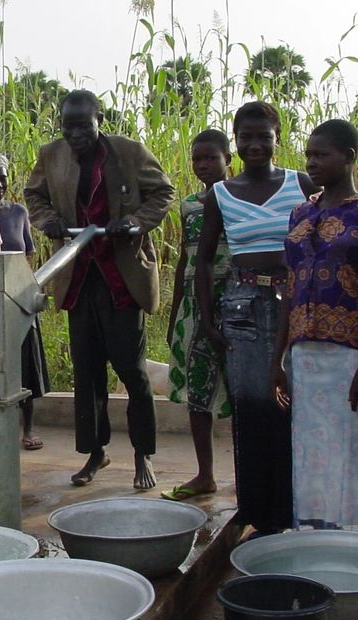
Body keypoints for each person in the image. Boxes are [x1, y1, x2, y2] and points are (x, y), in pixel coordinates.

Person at [26, 89, 176, 490]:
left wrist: (135, 222)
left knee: (133, 372)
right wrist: (50, 221)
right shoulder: (51, 154)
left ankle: (143, 454)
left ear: (99, 120)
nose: (75, 134)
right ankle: (96, 454)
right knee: (87, 373)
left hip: (121, 279)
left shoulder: (128, 152)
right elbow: (34, 196)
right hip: (78, 280)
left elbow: (162, 192)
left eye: (82, 125)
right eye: (68, 126)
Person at [195, 101, 319, 536]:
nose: (254, 145)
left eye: (262, 136)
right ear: (236, 140)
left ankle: (293, 511)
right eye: (245, 137)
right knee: (251, 410)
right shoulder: (220, 195)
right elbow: (206, 261)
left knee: (293, 409)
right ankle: (257, 513)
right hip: (242, 305)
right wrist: (207, 320)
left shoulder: (300, 183)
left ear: (276, 137)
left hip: (296, 302)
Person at [272, 119, 358, 532]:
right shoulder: (300, 212)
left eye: (322, 154)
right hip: (305, 356)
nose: (312, 163)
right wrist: (279, 360)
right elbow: (290, 287)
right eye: (308, 155)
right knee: (312, 454)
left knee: (357, 450)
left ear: (350, 157)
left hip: (352, 355)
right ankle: (318, 541)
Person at [162, 129, 234, 501]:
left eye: (211, 158)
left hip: (235, 298)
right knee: (196, 389)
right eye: (197, 159)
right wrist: (176, 311)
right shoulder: (190, 204)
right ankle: (205, 473)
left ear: (228, 160)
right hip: (194, 302)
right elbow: (185, 260)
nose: (203, 165)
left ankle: (248, 474)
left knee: (242, 389)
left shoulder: (240, 199)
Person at [0, 152, 50, 451]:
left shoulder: (18, 212)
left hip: (19, 294)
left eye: (2, 178)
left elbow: (28, 254)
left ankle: (28, 429)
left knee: (26, 364)